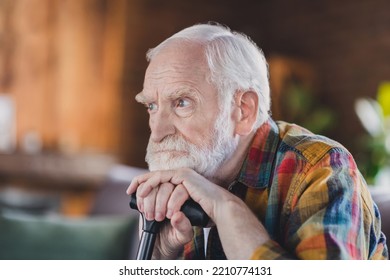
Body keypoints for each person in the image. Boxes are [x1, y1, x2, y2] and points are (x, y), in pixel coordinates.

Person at [126, 22, 388, 260]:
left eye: (182, 103)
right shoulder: (191, 174)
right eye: (151, 106)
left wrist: (226, 208)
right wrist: (158, 259)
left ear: (244, 110)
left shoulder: (320, 168)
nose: (157, 131)